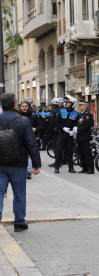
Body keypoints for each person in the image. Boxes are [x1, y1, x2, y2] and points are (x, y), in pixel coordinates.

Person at [0, 93, 41, 232]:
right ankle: (19, 223)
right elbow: (31, 143)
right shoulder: (23, 121)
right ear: (14, 104)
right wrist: (36, 164)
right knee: (19, 194)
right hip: (19, 163)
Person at [54, 95, 78, 173]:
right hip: (61, 134)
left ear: (73, 104)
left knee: (70, 151)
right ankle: (56, 167)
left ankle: (71, 167)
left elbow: (77, 124)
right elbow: (57, 122)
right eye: (66, 102)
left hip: (70, 135)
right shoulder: (61, 111)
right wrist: (63, 128)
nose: (66, 103)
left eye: (68, 102)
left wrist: (74, 131)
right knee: (58, 150)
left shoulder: (76, 114)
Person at [19, 100, 42, 179]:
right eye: (23, 106)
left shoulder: (34, 115)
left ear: (28, 107)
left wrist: (35, 129)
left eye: (26, 106)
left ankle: (29, 172)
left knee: (30, 154)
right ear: (20, 107)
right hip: (20, 139)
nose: (24, 108)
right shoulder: (17, 115)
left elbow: (40, 126)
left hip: (31, 138)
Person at [74, 100, 95, 174]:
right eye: (79, 105)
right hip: (80, 136)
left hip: (85, 136)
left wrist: (78, 129)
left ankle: (91, 168)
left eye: (81, 105)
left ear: (85, 106)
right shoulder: (80, 114)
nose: (79, 106)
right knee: (81, 153)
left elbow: (87, 125)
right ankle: (84, 167)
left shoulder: (87, 114)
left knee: (87, 153)